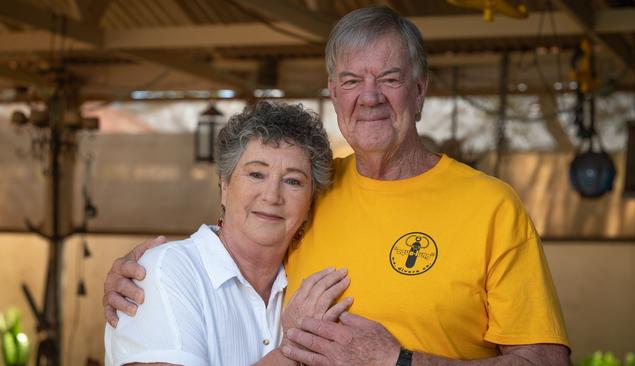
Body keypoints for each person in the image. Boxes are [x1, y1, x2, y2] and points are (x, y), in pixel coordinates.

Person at [104, 6, 571, 365]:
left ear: (420, 90)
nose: (370, 97)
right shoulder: (315, 189)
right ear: (333, 92)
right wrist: (153, 270)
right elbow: (245, 233)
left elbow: (548, 360)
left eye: (390, 78)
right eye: (352, 80)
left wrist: (399, 360)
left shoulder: (491, 206)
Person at [104, 101, 354, 365]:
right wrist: (293, 348)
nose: (272, 196)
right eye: (256, 174)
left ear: (309, 203)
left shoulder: (305, 288)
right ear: (224, 185)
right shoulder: (166, 271)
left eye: (293, 181)